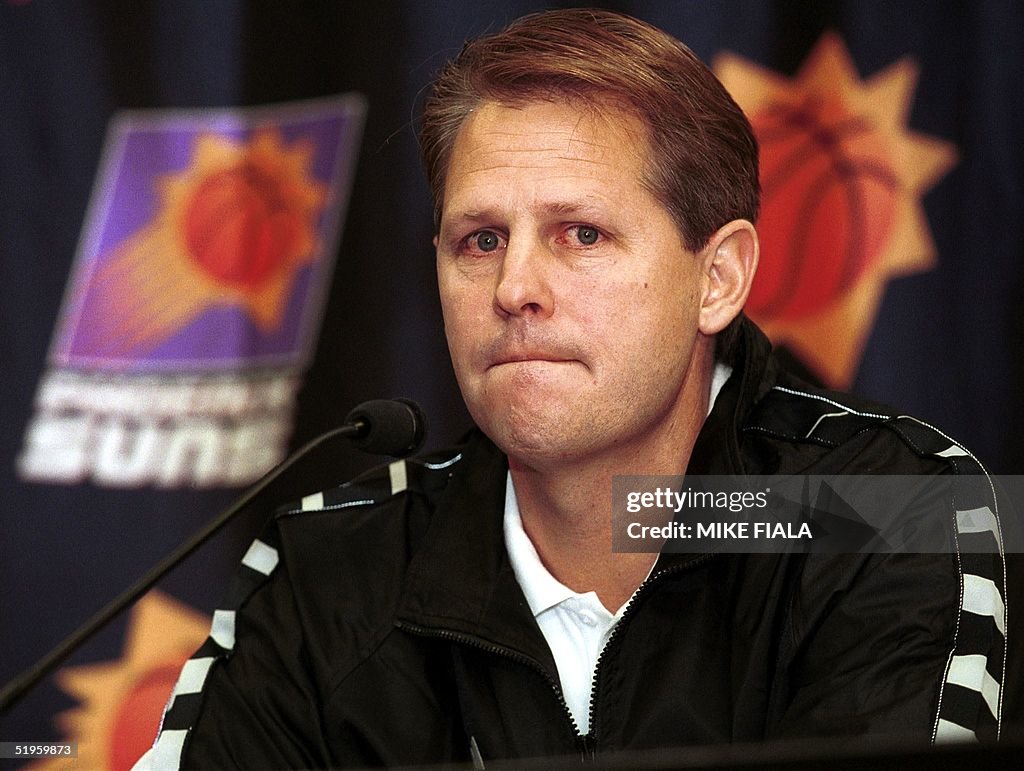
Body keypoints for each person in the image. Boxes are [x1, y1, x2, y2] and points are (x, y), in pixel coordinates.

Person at [139, 8, 1007, 768]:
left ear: (720, 278)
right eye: (479, 240)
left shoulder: (894, 508)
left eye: (581, 234)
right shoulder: (329, 570)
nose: (515, 286)